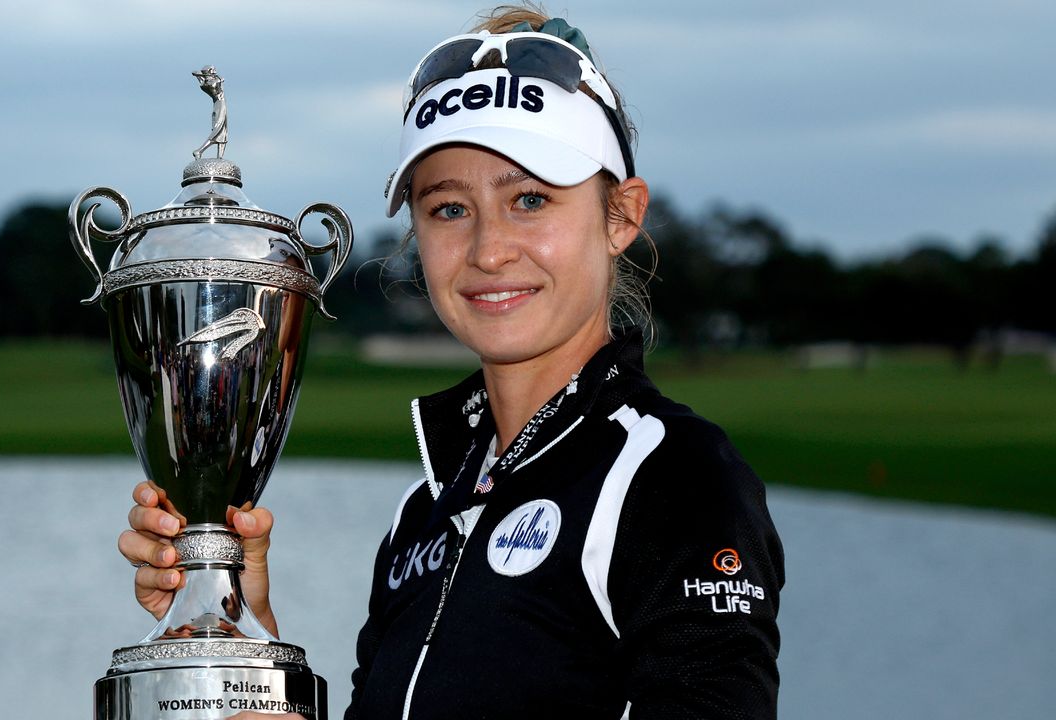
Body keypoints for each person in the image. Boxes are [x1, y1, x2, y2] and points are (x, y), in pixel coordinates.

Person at [120, 6, 784, 718]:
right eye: (448, 210)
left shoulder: (675, 474)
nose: (489, 250)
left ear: (620, 215)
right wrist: (241, 644)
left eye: (530, 199)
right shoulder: (425, 510)